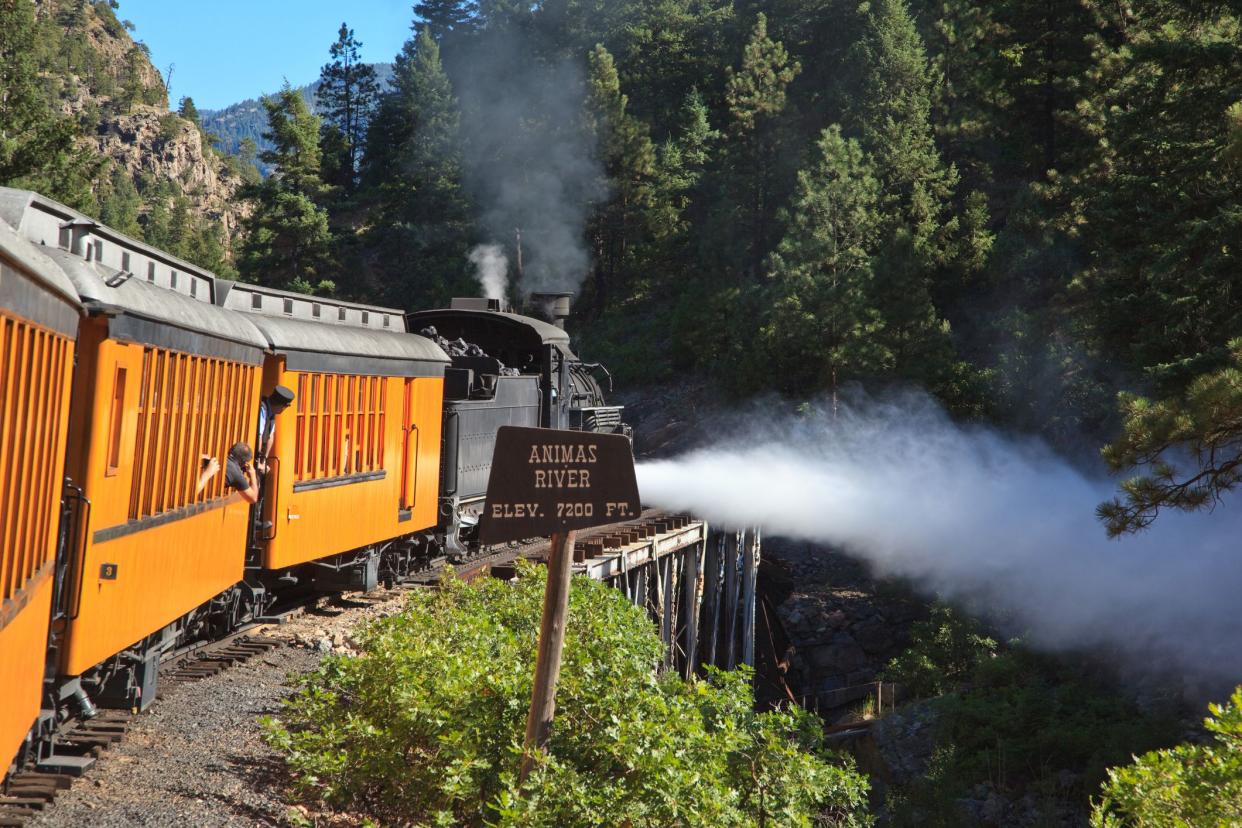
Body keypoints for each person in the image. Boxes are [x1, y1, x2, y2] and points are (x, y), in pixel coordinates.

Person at [195, 443, 260, 504]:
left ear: (230, 450)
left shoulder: (215, 459)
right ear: (244, 462)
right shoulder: (236, 474)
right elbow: (253, 499)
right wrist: (253, 475)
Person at [256, 385, 295, 474]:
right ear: (280, 405)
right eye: (284, 407)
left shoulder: (272, 413)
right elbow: (259, 435)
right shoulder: (263, 409)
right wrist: (258, 462)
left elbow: (270, 436)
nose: (283, 410)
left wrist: (264, 460)